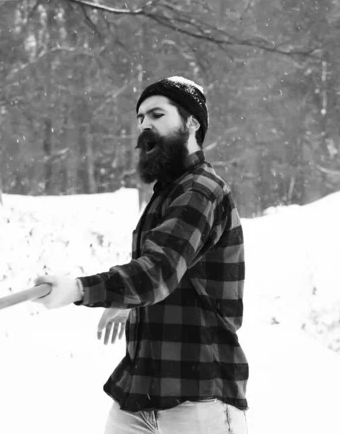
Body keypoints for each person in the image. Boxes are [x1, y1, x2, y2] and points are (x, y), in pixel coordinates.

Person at [34, 76, 249, 434]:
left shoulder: (201, 190)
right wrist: (130, 299)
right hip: (140, 395)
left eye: (157, 115)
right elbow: (171, 273)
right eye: (140, 119)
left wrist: (78, 288)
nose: (144, 125)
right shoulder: (167, 194)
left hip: (200, 400)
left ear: (192, 123)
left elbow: (158, 273)